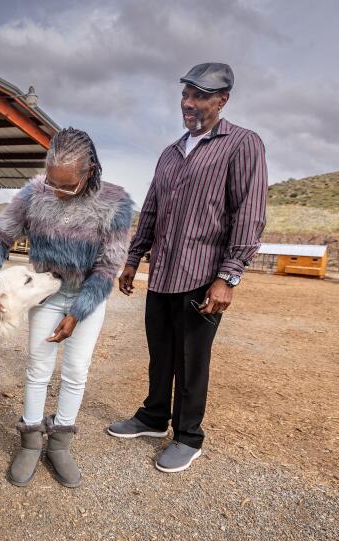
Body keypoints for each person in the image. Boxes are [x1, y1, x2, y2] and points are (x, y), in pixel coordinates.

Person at [107, 63, 267, 472]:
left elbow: (248, 213)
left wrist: (228, 276)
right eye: (185, 95)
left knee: (192, 360)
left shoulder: (242, 144)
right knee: (160, 354)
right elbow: (153, 209)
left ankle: (188, 435)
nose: (188, 103)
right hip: (163, 273)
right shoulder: (170, 153)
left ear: (222, 100)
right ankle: (154, 417)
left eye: (199, 96)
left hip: (203, 275)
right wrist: (133, 258)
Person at [0, 128, 134, 488]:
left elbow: (108, 268)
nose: (57, 192)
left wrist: (78, 313)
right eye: (52, 182)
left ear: (90, 171)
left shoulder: (116, 204)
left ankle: (60, 442)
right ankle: (30, 440)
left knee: (76, 370)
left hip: (86, 298)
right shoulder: (34, 193)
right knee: (38, 366)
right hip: (45, 293)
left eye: (67, 186)